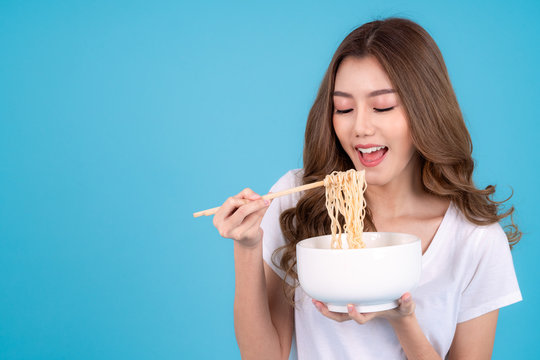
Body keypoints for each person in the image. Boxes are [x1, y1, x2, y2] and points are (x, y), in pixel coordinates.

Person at [212, 18, 522, 359]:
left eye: (382, 106)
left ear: (426, 111)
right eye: (343, 108)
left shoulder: (473, 238)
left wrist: (402, 319)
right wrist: (247, 245)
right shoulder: (297, 196)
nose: (359, 127)